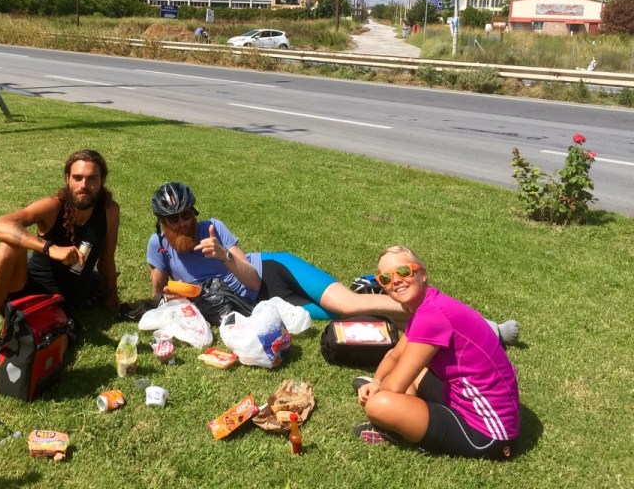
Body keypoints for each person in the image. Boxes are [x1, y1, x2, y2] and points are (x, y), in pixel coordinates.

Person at [146, 182, 410, 323]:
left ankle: (421, 306)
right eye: (173, 219)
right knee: (342, 315)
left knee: (346, 305)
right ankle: (380, 300)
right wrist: (167, 297)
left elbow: (253, 280)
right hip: (260, 305)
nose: (181, 223)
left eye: (185, 214)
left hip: (273, 270)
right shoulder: (158, 246)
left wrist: (224, 255)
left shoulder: (213, 228)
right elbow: (159, 294)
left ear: (194, 211)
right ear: (162, 221)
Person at [0, 149, 121, 375]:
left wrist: (114, 303)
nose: (84, 185)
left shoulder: (109, 211)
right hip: (28, 289)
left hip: (64, 303)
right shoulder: (53, 206)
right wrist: (50, 248)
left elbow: (106, 261)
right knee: (7, 247)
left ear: (101, 180)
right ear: (67, 179)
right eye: (77, 178)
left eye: (92, 178)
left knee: (49, 346)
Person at [354, 245, 519, 459]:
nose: (395, 281)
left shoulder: (431, 315)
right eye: (385, 278)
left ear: (422, 274)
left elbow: (395, 386)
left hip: (487, 433)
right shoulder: (427, 305)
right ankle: (402, 418)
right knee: (409, 371)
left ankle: (394, 427)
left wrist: (378, 395)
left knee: (379, 405)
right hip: (467, 400)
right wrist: (376, 382)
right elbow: (396, 355)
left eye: (404, 272)